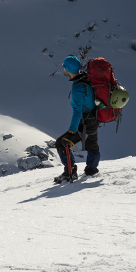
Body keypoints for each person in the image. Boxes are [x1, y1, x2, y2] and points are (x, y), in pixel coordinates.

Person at [54, 55, 101, 183]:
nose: (63, 69)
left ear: (67, 69)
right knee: (92, 145)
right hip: (94, 119)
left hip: (85, 122)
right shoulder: (86, 77)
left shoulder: (77, 87)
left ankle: (70, 173)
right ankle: (92, 169)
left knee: (62, 143)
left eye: (64, 67)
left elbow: (77, 112)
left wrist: (72, 131)